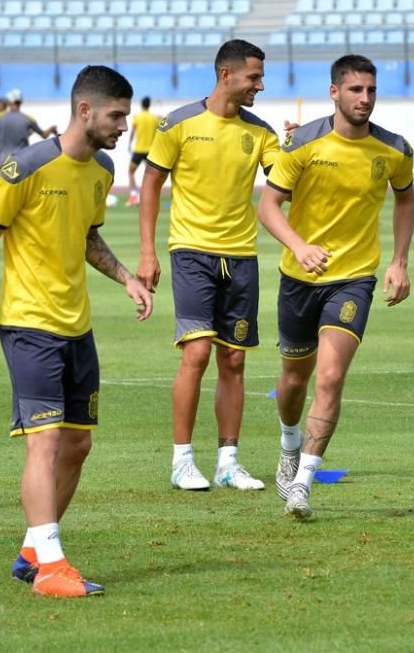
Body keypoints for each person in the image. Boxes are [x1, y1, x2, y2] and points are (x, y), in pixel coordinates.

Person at [0, 65, 153, 598]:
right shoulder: (26, 167)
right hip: (28, 324)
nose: (123, 126)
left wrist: (126, 278)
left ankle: (32, 552)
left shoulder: (103, 171)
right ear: (85, 110)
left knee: (77, 446)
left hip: (77, 326)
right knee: (44, 442)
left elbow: (89, 237)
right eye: (116, 115)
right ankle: (51, 567)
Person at [258, 54, 414, 520]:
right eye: (355, 90)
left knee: (330, 377)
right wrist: (299, 244)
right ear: (334, 92)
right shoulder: (302, 142)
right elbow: (268, 206)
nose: (364, 98)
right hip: (298, 278)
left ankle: (303, 482)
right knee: (293, 379)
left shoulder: (393, 149)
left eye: (370, 90)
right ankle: (289, 445)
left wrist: (399, 261)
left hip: (353, 280)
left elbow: (405, 198)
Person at [137, 39, 280, 491]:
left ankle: (228, 462)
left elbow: (285, 181)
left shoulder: (261, 132)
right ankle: (182, 462)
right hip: (192, 250)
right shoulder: (177, 123)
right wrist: (147, 250)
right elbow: (151, 183)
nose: (261, 84)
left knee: (233, 359)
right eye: (254, 77)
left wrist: (296, 148)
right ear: (226, 75)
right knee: (196, 353)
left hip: (241, 256)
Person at [0, 88, 58, 168]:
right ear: (20, 102)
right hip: (22, 162)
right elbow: (44, 135)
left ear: (9, 102)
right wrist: (51, 129)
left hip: (4, 161)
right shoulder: (28, 119)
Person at [126, 96, 160, 206]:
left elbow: (132, 132)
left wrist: (129, 144)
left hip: (139, 150)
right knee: (152, 175)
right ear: (149, 105)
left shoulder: (137, 117)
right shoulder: (154, 118)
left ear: (142, 104)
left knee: (131, 172)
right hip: (151, 151)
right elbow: (159, 133)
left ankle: (134, 196)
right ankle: (152, 197)